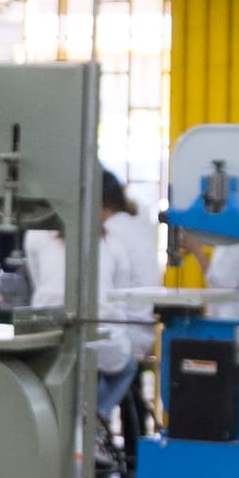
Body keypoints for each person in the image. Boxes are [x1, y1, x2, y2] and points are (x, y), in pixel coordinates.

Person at [90, 168, 156, 429]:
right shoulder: (137, 225)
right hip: (143, 328)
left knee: (86, 361)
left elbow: (106, 289)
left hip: (127, 330)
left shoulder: (110, 232)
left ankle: (93, 423)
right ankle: (132, 452)